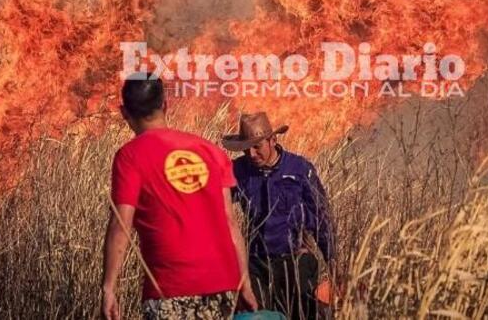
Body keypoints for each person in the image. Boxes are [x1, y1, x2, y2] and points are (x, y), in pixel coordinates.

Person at [101, 74, 258, 319]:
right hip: (224, 284)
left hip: (171, 287)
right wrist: (244, 281)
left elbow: (121, 224)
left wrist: (109, 287)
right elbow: (230, 221)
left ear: (124, 113)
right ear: (165, 104)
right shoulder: (210, 151)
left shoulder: (130, 156)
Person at [223, 112, 334, 320]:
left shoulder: (299, 169)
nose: (252, 154)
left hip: (295, 262)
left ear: (273, 140)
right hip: (257, 265)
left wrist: (334, 263)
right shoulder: (239, 170)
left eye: (257, 146)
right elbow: (219, 205)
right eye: (246, 149)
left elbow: (322, 220)